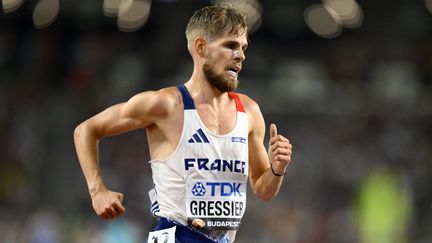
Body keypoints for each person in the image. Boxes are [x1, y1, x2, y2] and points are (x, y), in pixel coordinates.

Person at [74, 5, 293, 243]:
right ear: (201, 47)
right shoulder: (167, 105)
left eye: (243, 47)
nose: (240, 55)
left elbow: (262, 189)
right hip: (176, 235)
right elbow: (86, 130)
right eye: (230, 45)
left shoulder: (249, 111)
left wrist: (277, 169)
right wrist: (98, 191)